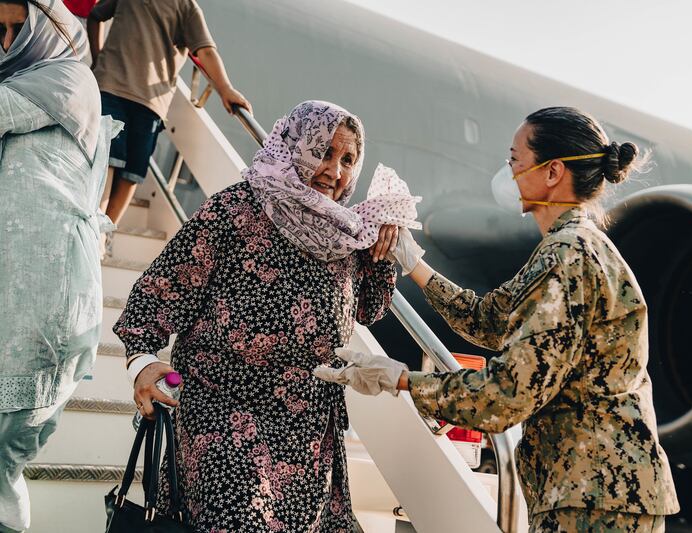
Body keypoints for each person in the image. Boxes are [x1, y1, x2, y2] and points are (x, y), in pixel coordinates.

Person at [315, 107, 681, 532]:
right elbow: (490, 320)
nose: (508, 171)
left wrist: (399, 380)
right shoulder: (572, 248)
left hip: (593, 495)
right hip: (600, 491)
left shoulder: (566, 258)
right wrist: (414, 263)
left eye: (515, 160)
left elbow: (505, 395)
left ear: (552, 172)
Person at [113, 100, 422, 532]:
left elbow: (369, 310)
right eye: (323, 152)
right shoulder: (237, 209)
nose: (335, 171)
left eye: (348, 159)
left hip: (307, 431)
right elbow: (157, 292)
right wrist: (143, 363)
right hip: (223, 410)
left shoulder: (347, 232)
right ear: (296, 147)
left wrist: (382, 247)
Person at [0, 1, 119, 531]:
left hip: (46, 292)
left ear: (46, 28)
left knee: (4, 454)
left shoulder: (68, 79)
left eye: (15, 27)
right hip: (15, 284)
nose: (5, 41)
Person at [87, 0, 251, 226]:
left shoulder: (187, 8)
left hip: (151, 102)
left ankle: (102, 235)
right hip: (111, 87)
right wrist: (98, 60)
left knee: (132, 174)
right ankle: (92, 234)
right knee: (107, 160)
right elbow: (96, 16)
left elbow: (205, 51)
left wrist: (225, 88)